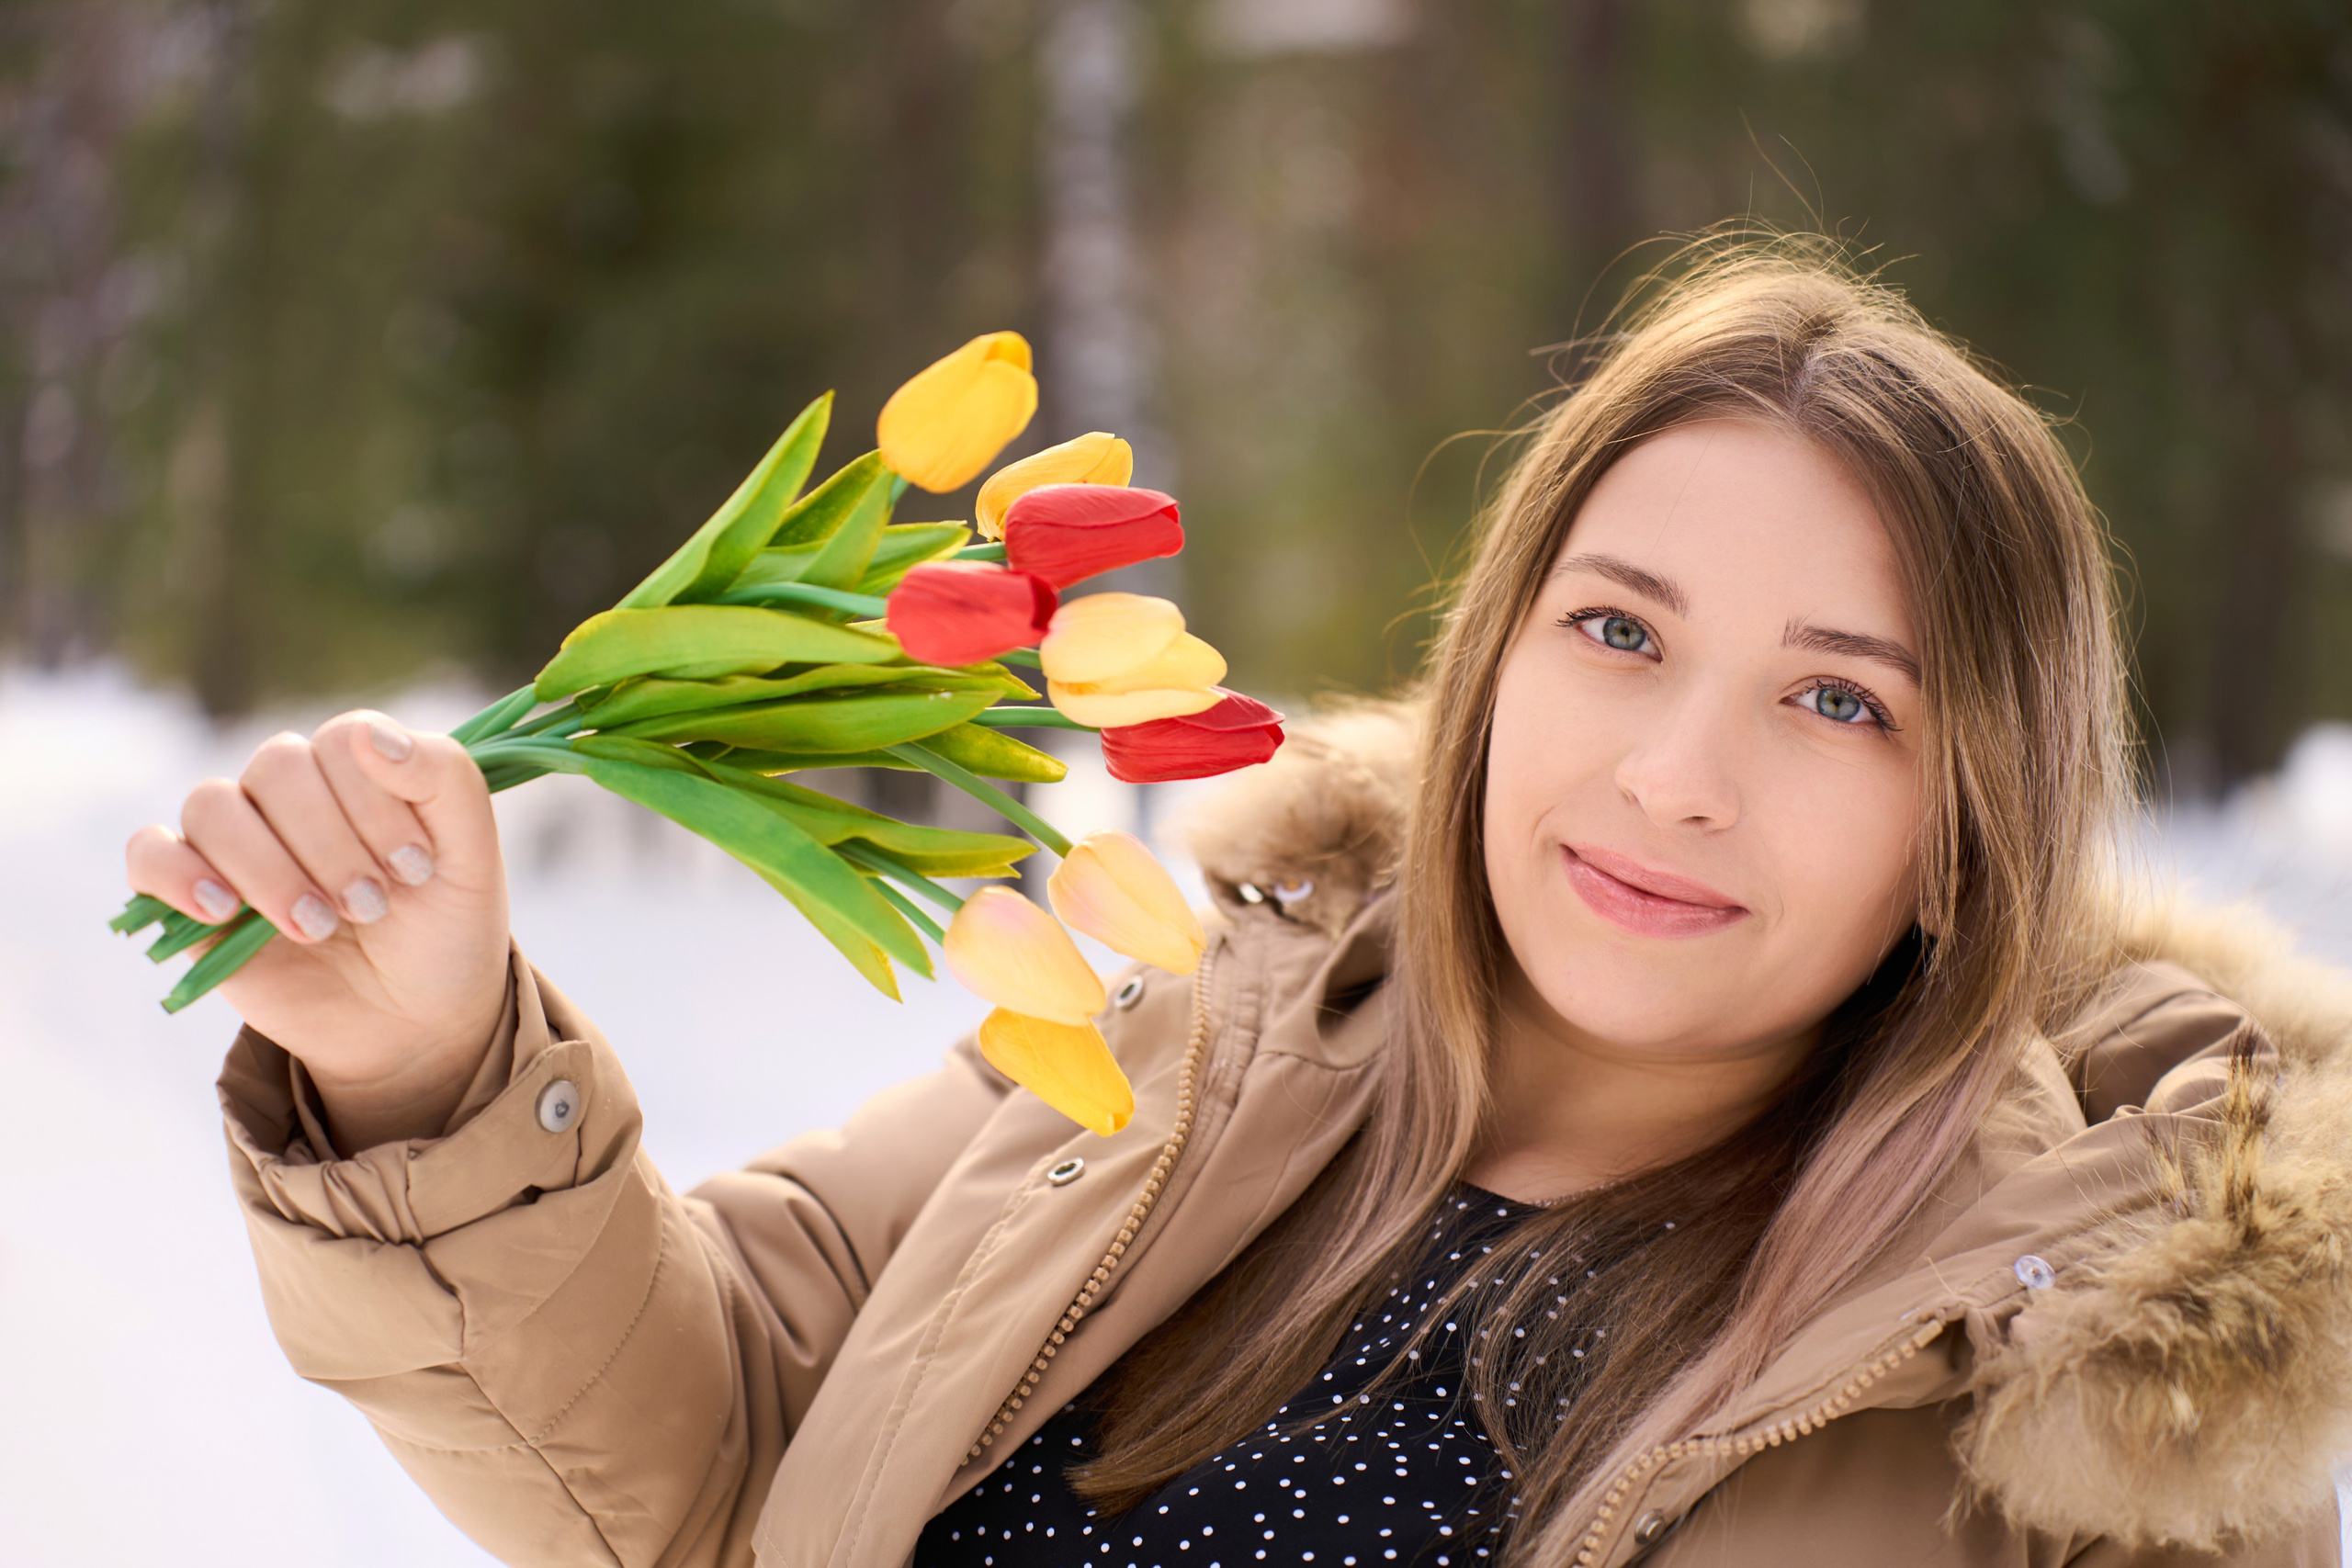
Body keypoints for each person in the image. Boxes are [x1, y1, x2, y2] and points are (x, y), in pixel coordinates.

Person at [126, 240, 2352, 1566]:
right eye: (1617, 632)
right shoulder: (1190, 1017)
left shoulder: (2099, 1390)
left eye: (1837, 702)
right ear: (1491, 657)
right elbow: (711, 1450)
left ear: (1970, 818)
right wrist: (427, 1056)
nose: (1675, 774)